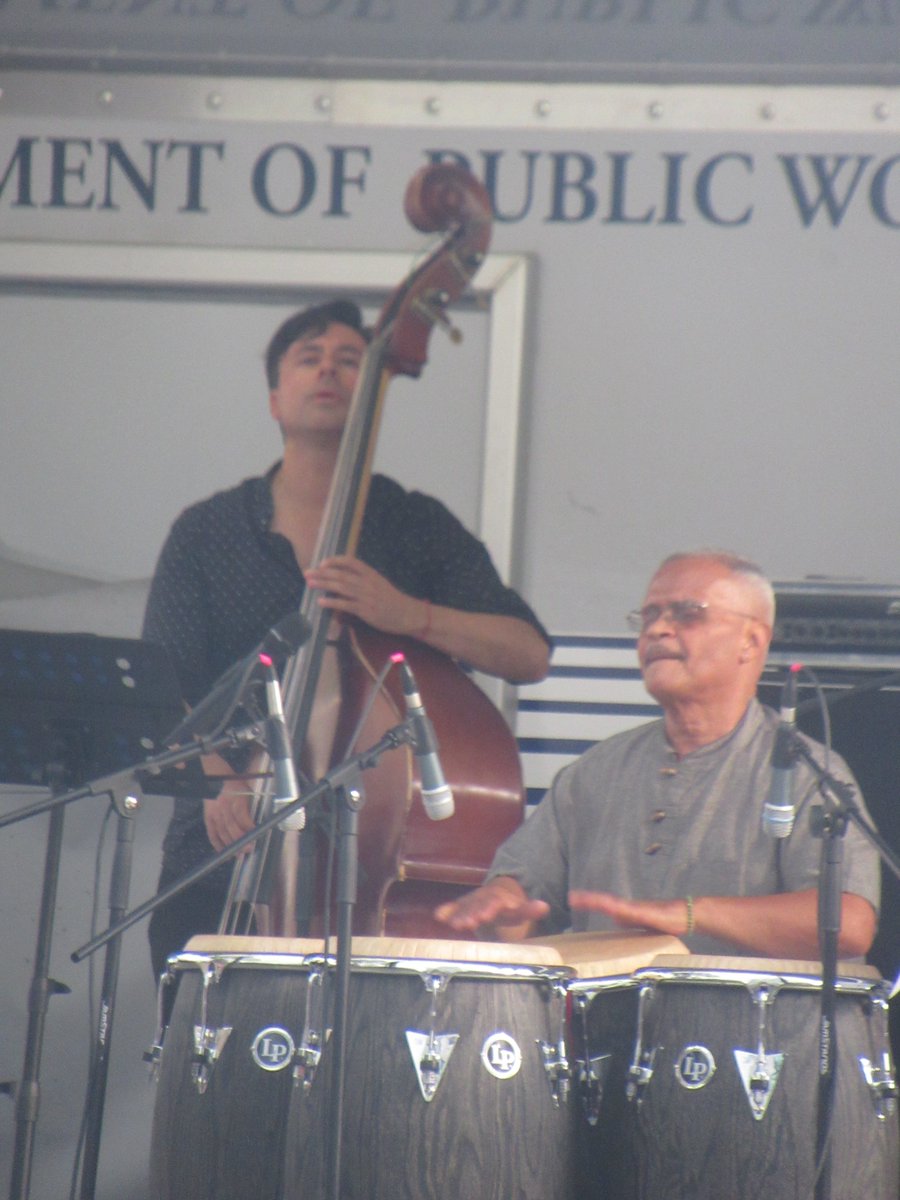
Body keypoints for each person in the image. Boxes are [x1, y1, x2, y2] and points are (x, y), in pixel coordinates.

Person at [144, 298, 551, 978]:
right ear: (276, 398)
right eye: (309, 358)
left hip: (371, 874)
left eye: (349, 361)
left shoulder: (416, 525)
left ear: (374, 395)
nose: (329, 371)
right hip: (222, 854)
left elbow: (528, 652)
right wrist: (224, 780)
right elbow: (168, 689)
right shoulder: (208, 532)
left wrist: (409, 614)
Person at [436, 551, 880, 961]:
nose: (657, 629)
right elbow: (523, 911)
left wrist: (690, 914)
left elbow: (850, 924)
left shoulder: (805, 772)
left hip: (761, 1044)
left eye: (687, 614)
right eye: (649, 615)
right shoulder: (594, 773)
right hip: (606, 1040)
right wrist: (503, 909)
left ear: (751, 641)